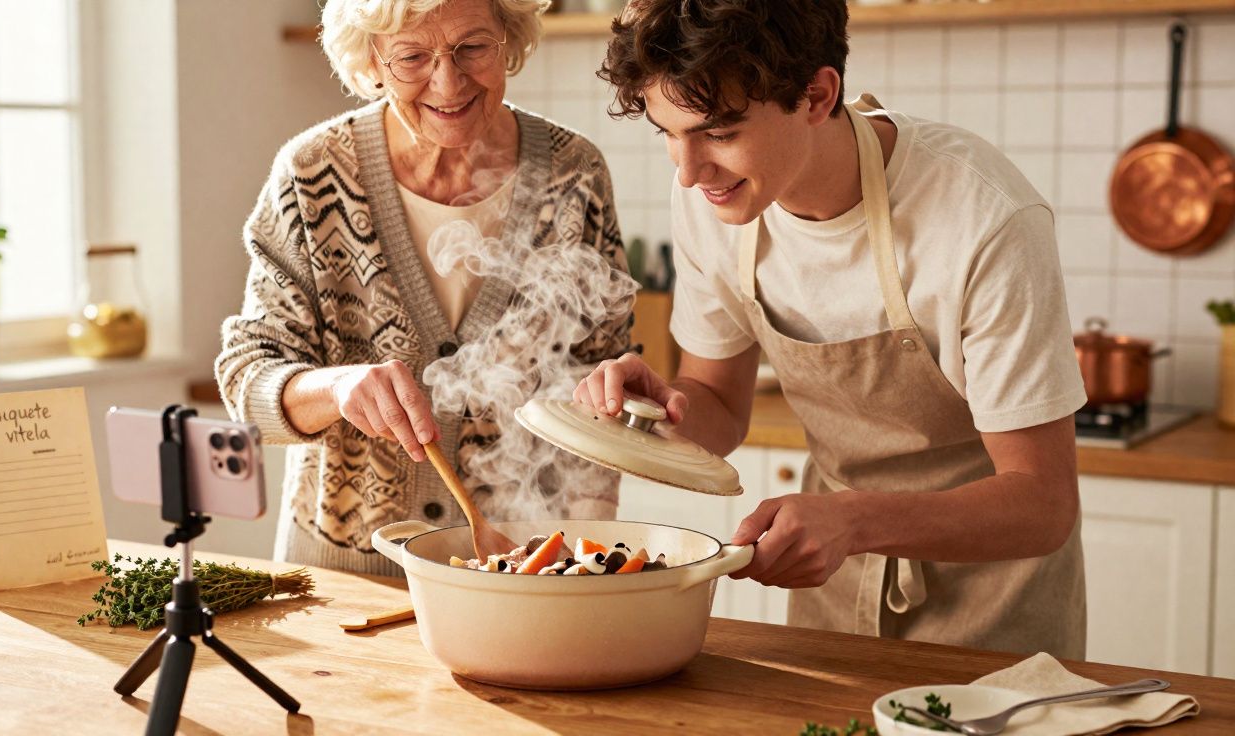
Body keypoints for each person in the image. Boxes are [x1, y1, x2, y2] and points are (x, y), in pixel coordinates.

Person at [574, 0, 1087, 658]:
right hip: (833, 589)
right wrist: (658, 411)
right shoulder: (712, 198)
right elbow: (721, 407)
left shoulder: (980, 215)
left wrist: (855, 520)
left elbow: (1042, 503)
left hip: (995, 603)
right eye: (667, 133)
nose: (688, 170)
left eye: (720, 133)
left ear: (817, 95)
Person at [217, 0, 631, 576]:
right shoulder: (312, 175)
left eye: (473, 48)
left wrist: (590, 557)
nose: (448, 81)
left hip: (525, 572)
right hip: (348, 578)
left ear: (508, 39)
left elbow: (602, 389)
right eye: (412, 56)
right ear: (372, 61)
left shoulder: (573, 172)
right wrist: (338, 388)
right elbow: (247, 380)